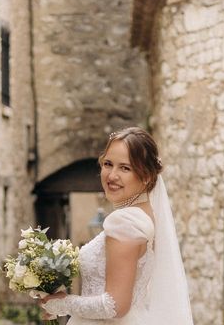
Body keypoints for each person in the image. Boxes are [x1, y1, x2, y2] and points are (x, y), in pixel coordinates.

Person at [41, 127, 194, 325]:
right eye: (108, 164)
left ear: (146, 176)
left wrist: (62, 304)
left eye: (125, 168)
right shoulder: (145, 215)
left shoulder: (124, 222)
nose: (112, 175)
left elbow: (114, 305)